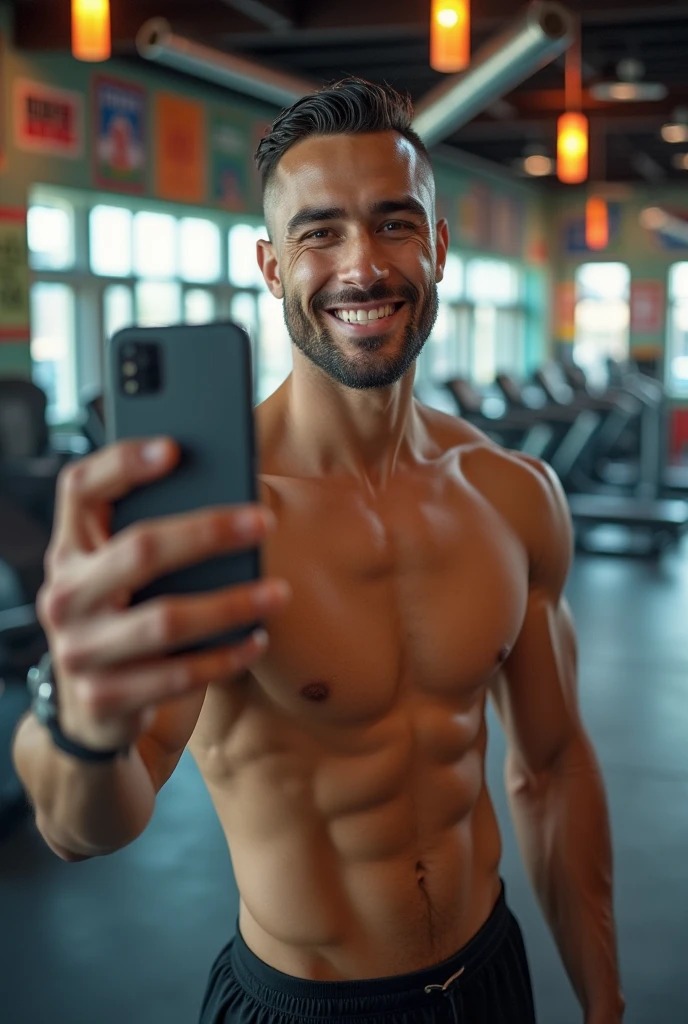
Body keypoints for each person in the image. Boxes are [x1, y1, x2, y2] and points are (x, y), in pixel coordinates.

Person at [13, 79, 625, 1024]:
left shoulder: (510, 494)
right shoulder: (214, 519)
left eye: (393, 224)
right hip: (306, 1005)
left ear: (438, 247)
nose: (361, 266)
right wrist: (78, 724)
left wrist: (605, 1000)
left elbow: (551, 766)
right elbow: (81, 828)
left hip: (494, 978)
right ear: (269, 267)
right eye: (318, 233)